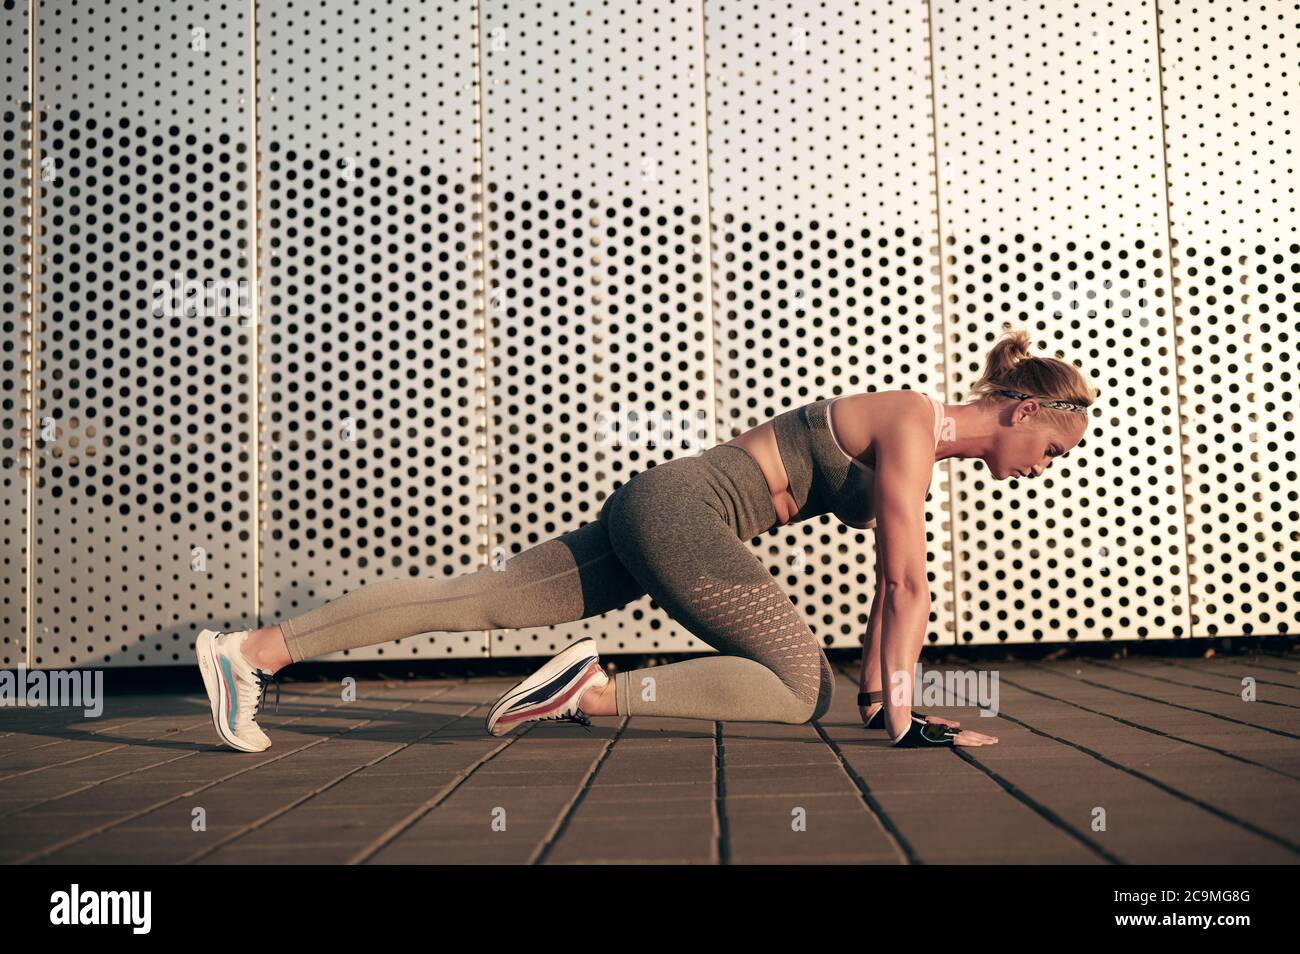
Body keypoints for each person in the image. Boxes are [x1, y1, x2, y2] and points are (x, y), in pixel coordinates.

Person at [195, 325, 1098, 753]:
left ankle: (249, 653)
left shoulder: (920, 447)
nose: (1045, 467)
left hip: (661, 506)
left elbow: (890, 592)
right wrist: (898, 720)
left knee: (479, 597)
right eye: (1051, 449)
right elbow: (905, 586)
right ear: (1022, 410)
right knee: (793, 689)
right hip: (688, 512)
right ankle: (589, 690)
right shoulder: (911, 419)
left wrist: (886, 702)